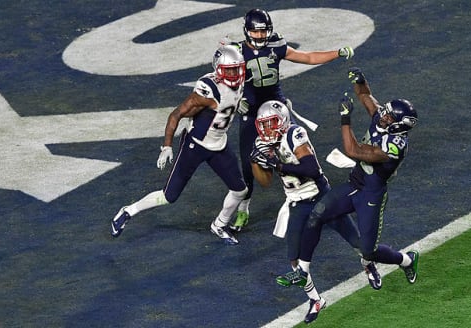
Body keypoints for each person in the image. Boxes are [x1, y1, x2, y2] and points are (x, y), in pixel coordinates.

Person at [278, 67, 420, 295]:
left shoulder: (394, 146)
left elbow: (352, 150)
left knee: (368, 251)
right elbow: (365, 96)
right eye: (386, 112)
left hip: (371, 195)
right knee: (316, 215)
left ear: (399, 125)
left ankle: (406, 260)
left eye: (389, 116)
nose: (383, 115)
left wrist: (345, 119)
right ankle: (302, 271)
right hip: (354, 184)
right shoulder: (382, 119)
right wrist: (360, 80)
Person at [227, 8, 355, 232]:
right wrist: (236, 101)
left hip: (277, 108)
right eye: (255, 32)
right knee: (248, 163)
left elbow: (307, 57)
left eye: (264, 31)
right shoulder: (236, 52)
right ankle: (243, 208)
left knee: (298, 149)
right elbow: (224, 80)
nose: (260, 36)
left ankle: (314, 195)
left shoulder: (276, 46)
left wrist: (337, 52)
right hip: (251, 109)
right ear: (246, 31)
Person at [110, 45, 247, 246]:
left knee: (239, 190)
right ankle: (128, 210)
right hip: (196, 145)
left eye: (237, 69)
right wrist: (167, 146)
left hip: (219, 144)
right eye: (231, 70)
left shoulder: (240, 84)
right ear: (218, 70)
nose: (236, 74)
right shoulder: (207, 91)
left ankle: (219, 225)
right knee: (169, 196)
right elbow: (176, 114)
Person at [249, 100, 362, 324]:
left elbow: (310, 169)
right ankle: (315, 300)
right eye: (263, 125)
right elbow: (264, 182)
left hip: (320, 196)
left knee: (358, 242)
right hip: (297, 202)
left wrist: (277, 164)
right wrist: (255, 161)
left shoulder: (295, 133)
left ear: (282, 122)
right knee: (295, 260)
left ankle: (370, 266)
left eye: (271, 124)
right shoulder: (262, 142)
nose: (266, 130)